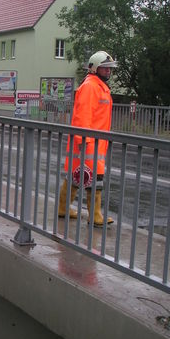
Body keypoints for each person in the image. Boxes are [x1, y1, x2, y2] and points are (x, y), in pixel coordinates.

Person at [58, 50, 118, 226]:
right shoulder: (91, 87)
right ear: (94, 69)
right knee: (94, 178)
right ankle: (95, 216)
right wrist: (85, 142)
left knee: (75, 177)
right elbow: (82, 117)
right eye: (105, 68)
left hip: (92, 142)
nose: (108, 72)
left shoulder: (98, 86)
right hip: (88, 143)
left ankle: (63, 208)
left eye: (109, 69)